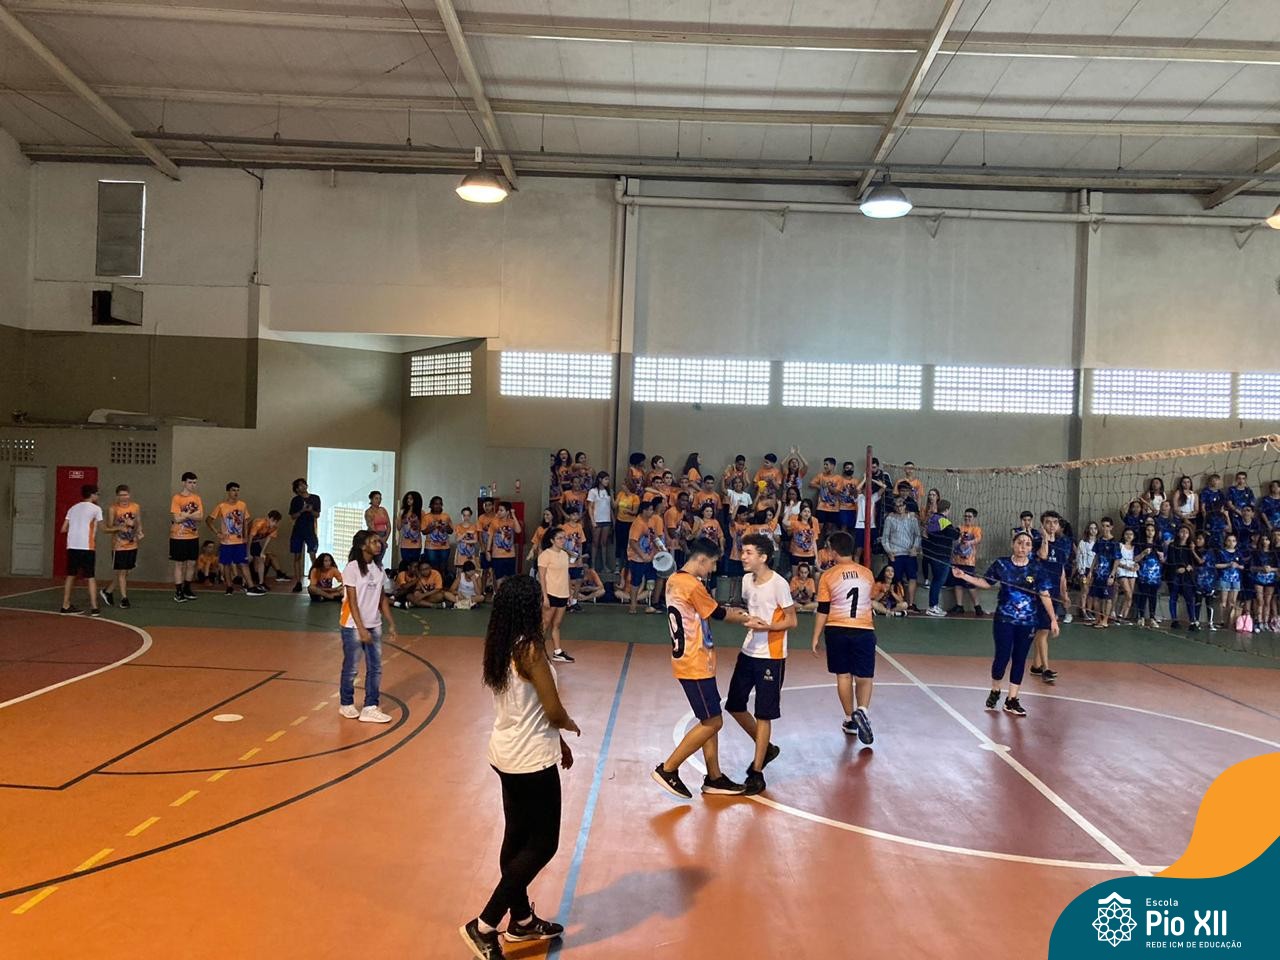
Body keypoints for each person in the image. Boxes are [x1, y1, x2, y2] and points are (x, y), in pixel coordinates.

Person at [460, 575, 578, 959]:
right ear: (528, 606)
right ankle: (484, 924)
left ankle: (522, 919)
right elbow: (552, 709)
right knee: (543, 844)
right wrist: (568, 725)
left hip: (506, 753)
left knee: (515, 841)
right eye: (539, 599)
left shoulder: (501, 644)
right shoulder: (530, 650)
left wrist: (557, 741)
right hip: (531, 761)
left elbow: (526, 706)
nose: (544, 604)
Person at [652, 538, 768, 800]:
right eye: (713, 563)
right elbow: (718, 614)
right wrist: (747, 617)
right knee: (713, 722)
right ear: (702, 559)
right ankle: (668, 769)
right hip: (695, 663)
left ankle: (714, 777)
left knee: (709, 720)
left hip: (693, 661)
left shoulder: (675, 580)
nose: (713, 569)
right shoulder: (692, 585)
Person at [951, 531, 1058, 718]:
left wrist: (1053, 619)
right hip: (1004, 620)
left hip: (1027, 622)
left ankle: (1012, 699)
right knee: (1002, 657)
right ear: (1012, 544)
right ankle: (995, 689)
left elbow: (1045, 594)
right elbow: (986, 583)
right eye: (1019, 543)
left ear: (1031, 548)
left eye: (1027, 544)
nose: (1022, 547)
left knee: (1019, 659)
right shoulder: (1001, 564)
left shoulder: (1036, 568)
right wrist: (964, 576)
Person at [727, 534, 793, 795]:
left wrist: (768, 627)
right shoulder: (746, 581)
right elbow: (746, 610)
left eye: (748, 553)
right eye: (743, 552)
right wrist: (745, 617)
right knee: (735, 704)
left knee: (764, 713)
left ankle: (757, 772)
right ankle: (766, 748)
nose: (743, 557)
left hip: (771, 655)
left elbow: (792, 620)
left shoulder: (779, 584)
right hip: (749, 650)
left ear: (763, 557)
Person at [810, 531, 877, 743]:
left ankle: (850, 719)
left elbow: (823, 609)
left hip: (837, 629)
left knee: (844, 676)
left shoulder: (828, 576)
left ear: (833, 551)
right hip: (863, 628)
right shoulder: (867, 574)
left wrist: (815, 636)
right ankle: (862, 711)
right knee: (864, 676)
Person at [337, 530, 397, 724]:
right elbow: (352, 602)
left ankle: (370, 706)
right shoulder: (352, 568)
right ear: (363, 546)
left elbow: (382, 598)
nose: (378, 544)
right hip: (352, 625)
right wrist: (361, 628)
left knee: (375, 667)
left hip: (374, 623)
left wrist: (391, 623)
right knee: (352, 667)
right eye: (373, 541)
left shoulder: (378, 569)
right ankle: (346, 703)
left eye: (379, 541)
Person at [1028, 510, 1069, 682]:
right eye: (1048, 522)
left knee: (1042, 630)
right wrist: (1045, 538)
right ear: (1042, 524)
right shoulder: (1037, 542)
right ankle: (1045, 668)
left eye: (1054, 522)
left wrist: (1064, 593)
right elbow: (1043, 555)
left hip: (1054, 592)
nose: (1051, 525)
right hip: (1040, 591)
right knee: (1044, 630)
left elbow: (1062, 572)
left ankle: (1036, 666)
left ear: (1059, 525)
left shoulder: (1062, 545)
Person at [208, 482, 262, 596]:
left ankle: (251, 586)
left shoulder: (242, 505)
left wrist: (245, 536)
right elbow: (209, 520)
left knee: (243, 563)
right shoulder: (221, 506)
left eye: (237, 490)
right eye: (233, 490)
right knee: (226, 564)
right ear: (228, 491)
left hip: (239, 541)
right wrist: (217, 533)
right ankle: (229, 586)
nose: (236, 492)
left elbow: (245, 521)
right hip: (227, 541)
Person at [61, 483, 103, 616]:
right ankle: (94, 607)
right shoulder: (96, 509)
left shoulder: (73, 508)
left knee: (71, 575)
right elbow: (103, 527)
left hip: (72, 546)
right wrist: (118, 528)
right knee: (90, 577)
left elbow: (63, 529)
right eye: (97, 494)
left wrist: (76, 527)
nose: (98, 496)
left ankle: (65, 605)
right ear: (92, 495)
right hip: (87, 546)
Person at [100, 484, 142, 609]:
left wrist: (139, 532)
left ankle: (108, 591)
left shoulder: (135, 507)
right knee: (122, 572)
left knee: (126, 572)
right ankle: (124, 598)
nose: (124, 497)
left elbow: (138, 523)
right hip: (119, 545)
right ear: (117, 496)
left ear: (130, 495)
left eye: (126, 495)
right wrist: (120, 527)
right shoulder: (113, 509)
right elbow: (109, 527)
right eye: (121, 495)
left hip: (132, 544)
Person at [538, 526, 575, 664]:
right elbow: (541, 577)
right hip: (550, 593)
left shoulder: (564, 555)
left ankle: (558, 652)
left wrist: (570, 592)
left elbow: (567, 574)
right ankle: (537, 650)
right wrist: (545, 596)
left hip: (563, 593)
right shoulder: (545, 555)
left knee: (557, 624)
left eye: (564, 538)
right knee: (545, 623)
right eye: (559, 538)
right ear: (552, 540)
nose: (563, 540)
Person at [881, 496, 921, 613]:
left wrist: (915, 548)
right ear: (894, 507)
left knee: (912, 577)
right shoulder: (890, 519)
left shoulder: (912, 519)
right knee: (896, 579)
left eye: (901, 505)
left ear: (905, 506)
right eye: (897, 506)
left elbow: (917, 535)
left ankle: (911, 604)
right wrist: (889, 551)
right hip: (896, 554)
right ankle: (897, 602)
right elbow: (885, 538)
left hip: (909, 554)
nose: (899, 508)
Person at [169, 471, 204, 602]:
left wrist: (185, 515)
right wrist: (191, 514)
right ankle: (178, 591)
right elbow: (177, 519)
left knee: (192, 563)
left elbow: (200, 516)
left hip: (193, 535)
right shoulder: (177, 498)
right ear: (184, 483)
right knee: (179, 564)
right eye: (190, 482)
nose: (192, 485)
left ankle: (187, 588)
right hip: (179, 536)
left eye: (194, 482)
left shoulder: (197, 498)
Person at [922, 500, 960, 617]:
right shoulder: (943, 520)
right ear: (947, 509)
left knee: (936, 580)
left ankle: (933, 605)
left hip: (933, 554)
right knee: (939, 581)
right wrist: (958, 530)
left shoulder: (932, 519)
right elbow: (954, 535)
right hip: (941, 555)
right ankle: (933, 606)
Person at [626, 499, 663, 615]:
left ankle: (649, 604)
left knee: (651, 580)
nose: (652, 512)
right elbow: (633, 542)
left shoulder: (651, 521)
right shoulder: (638, 523)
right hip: (637, 558)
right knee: (636, 581)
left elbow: (654, 536)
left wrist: (659, 549)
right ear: (644, 511)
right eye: (650, 510)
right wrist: (642, 555)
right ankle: (633, 605)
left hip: (650, 556)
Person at [288, 478, 321, 594]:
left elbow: (317, 514)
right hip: (298, 531)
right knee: (297, 556)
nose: (303, 486)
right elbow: (293, 516)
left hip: (310, 531)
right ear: (296, 489)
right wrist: (302, 510)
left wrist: (310, 510)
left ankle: (316, 580)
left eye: (304, 484)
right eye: (300, 485)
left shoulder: (315, 498)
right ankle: (298, 582)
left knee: (313, 555)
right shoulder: (295, 500)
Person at [950, 508, 984, 616]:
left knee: (970, 584)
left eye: (969, 516)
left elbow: (978, 539)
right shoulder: (959, 528)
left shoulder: (976, 529)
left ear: (974, 518)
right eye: (965, 516)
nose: (967, 518)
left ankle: (977, 606)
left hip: (969, 562)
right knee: (957, 583)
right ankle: (959, 606)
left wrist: (969, 542)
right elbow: (955, 539)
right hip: (957, 560)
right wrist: (959, 539)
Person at [1165, 524, 1199, 630]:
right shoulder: (1172, 546)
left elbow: (1195, 562)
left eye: (1186, 532)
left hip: (1187, 576)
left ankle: (1192, 621)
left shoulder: (1191, 547)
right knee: (1173, 597)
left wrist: (1189, 567)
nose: (1184, 534)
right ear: (1178, 533)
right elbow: (1170, 559)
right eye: (1182, 532)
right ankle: (1174, 620)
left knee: (1189, 598)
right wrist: (1177, 568)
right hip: (1175, 574)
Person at [1133, 520, 1165, 628]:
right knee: (1142, 595)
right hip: (1143, 575)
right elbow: (1135, 559)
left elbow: (1163, 560)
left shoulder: (1158, 545)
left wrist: (1161, 557)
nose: (1150, 532)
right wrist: (1143, 553)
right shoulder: (1140, 544)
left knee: (1153, 597)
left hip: (1155, 576)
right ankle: (1141, 617)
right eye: (1148, 530)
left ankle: (1152, 617)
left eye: (1152, 530)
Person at [1089, 517, 1120, 628]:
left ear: (1111, 527)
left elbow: (1117, 559)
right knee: (1095, 597)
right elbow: (1096, 556)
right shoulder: (1099, 541)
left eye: (1107, 526)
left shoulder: (1114, 543)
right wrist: (1091, 571)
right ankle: (1098, 619)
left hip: (1108, 575)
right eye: (1103, 526)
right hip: (1098, 574)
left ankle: (1105, 620)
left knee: (1108, 598)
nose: (1105, 528)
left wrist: (1112, 575)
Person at [487, 502, 523, 592]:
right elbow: (490, 537)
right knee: (499, 579)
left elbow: (518, 530)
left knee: (510, 579)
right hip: (497, 556)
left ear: (507, 512)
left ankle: (509, 597)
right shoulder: (494, 522)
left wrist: (513, 515)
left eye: (501, 510)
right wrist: (488, 551)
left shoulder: (511, 522)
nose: (498, 512)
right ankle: (499, 595)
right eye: (498, 510)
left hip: (510, 555)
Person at [1213, 532, 1244, 632]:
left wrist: (1237, 565)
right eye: (1229, 540)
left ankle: (1229, 621)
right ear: (1226, 542)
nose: (1231, 543)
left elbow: (1243, 566)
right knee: (1223, 601)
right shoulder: (1221, 552)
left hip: (1236, 579)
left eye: (1234, 541)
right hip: (1224, 578)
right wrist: (1228, 565)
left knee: (1232, 601)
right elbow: (1216, 565)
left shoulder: (1238, 553)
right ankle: (1221, 621)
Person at [614, 476, 642, 584]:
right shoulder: (621, 494)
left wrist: (627, 511)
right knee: (619, 544)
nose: (622, 486)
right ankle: (617, 566)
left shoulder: (635, 497)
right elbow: (615, 505)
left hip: (629, 523)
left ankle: (627, 566)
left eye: (624, 484)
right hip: (620, 521)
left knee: (627, 545)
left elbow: (635, 512)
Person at [586, 471, 614, 572]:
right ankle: (593, 565)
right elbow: (590, 507)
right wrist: (592, 520)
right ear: (600, 479)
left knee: (604, 543)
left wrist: (612, 519)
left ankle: (604, 565)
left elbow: (611, 507)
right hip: (597, 519)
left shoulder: (608, 491)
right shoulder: (593, 491)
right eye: (605, 479)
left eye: (608, 479)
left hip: (606, 519)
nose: (607, 481)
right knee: (595, 542)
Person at [247, 510, 282, 590]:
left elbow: (268, 540)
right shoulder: (259, 523)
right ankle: (245, 583)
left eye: (276, 522)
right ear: (268, 518)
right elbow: (250, 537)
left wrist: (262, 552)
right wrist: (248, 552)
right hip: (245, 540)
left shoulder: (274, 528)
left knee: (261, 559)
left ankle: (261, 583)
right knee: (247, 560)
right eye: (273, 521)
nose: (274, 523)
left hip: (255, 541)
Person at [810, 457, 843, 534]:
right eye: (824, 464)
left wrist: (827, 486)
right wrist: (820, 486)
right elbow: (811, 483)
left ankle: (827, 541)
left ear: (833, 465)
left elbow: (837, 491)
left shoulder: (839, 478)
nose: (825, 466)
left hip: (833, 508)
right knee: (818, 527)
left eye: (826, 464)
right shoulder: (821, 475)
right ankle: (816, 541)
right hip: (821, 506)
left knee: (829, 529)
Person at [423, 496, 454, 578]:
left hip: (445, 547)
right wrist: (433, 526)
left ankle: (442, 584)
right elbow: (423, 532)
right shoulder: (426, 517)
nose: (438, 506)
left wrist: (445, 527)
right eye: (436, 504)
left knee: (443, 568)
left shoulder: (446, 516)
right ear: (431, 505)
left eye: (440, 504)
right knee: (433, 568)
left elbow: (451, 531)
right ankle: (434, 583)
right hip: (430, 548)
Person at [1113, 527, 1139, 622]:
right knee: (1127, 592)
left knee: (1130, 594)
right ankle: (1116, 613)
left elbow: (1136, 559)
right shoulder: (1120, 546)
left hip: (1132, 571)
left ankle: (1123, 615)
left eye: (1131, 534)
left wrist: (1137, 565)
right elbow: (1116, 560)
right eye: (1127, 534)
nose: (1128, 536)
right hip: (1122, 570)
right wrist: (1126, 567)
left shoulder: (1135, 547)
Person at [398, 491, 425, 567]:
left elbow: (422, 528)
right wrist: (402, 520)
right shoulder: (402, 512)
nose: (408, 500)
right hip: (404, 544)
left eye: (411, 499)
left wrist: (416, 523)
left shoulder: (421, 512)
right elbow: (398, 527)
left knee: (415, 565)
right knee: (405, 564)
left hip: (416, 543)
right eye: (407, 498)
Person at [364, 491, 391, 563]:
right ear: (371, 499)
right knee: (375, 559)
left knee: (380, 558)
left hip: (383, 535)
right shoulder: (369, 512)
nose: (379, 500)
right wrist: (382, 540)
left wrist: (385, 538)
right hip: (374, 536)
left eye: (380, 499)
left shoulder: (383, 510)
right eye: (376, 498)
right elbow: (372, 528)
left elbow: (388, 525)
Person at [454, 505, 481, 574]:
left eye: (468, 515)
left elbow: (475, 540)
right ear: (461, 515)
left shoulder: (473, 526)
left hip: (470, 552)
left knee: (471, 571)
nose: (466, 517)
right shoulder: (458, 526)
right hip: (461, 552)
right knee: (460, 571)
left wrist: (465, 541)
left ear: (470, 516)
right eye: (464, 515)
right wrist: (465, 533)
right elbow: (457, 539)